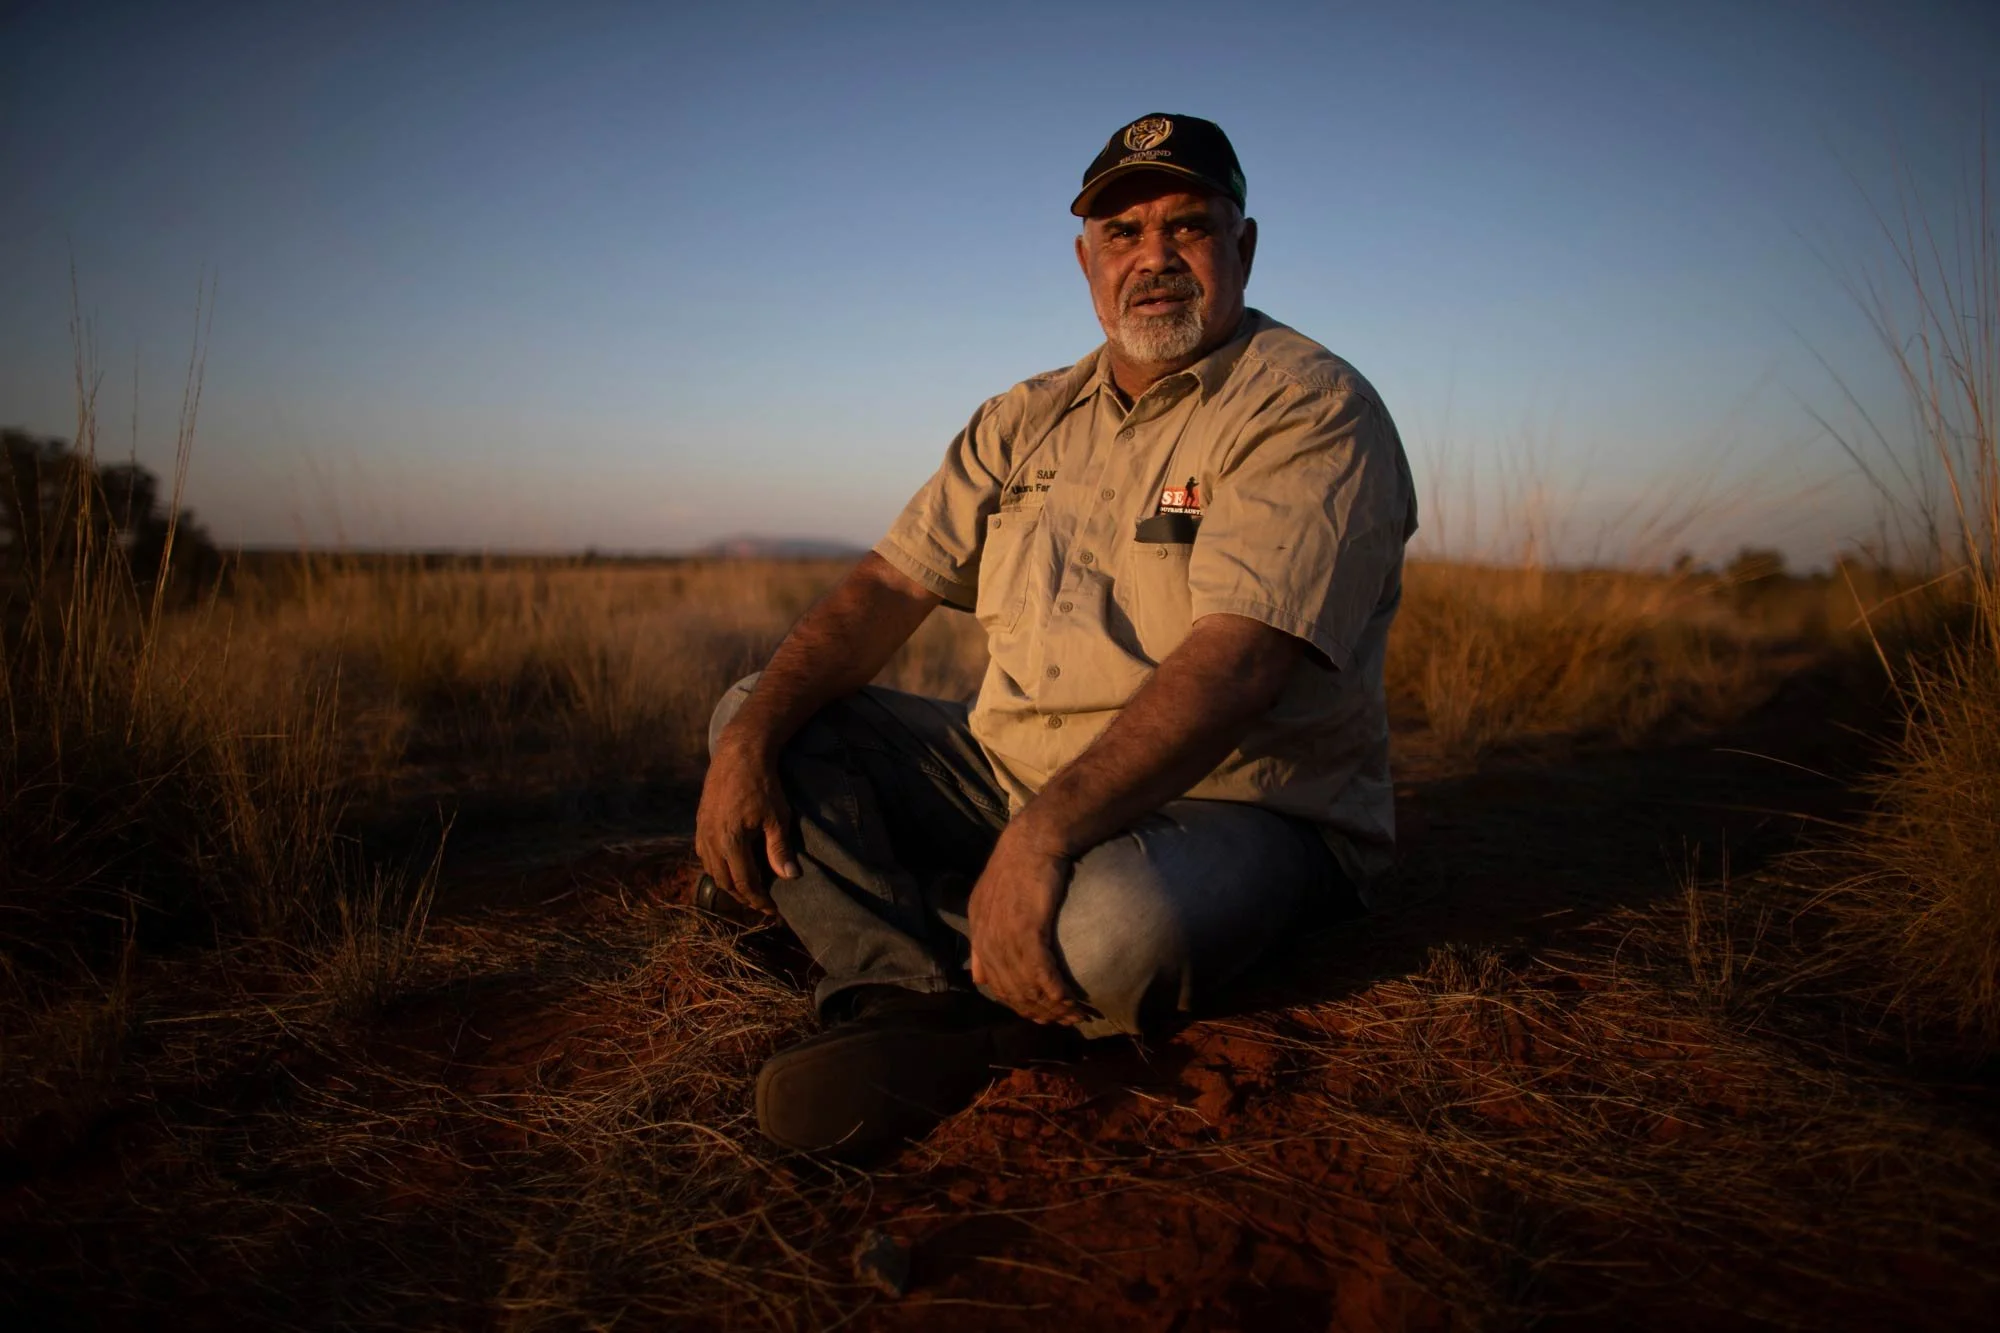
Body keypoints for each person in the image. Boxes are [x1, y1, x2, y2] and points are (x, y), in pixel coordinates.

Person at [695, 112, 1418, 1158]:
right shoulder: (1022, 416)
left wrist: (1040, 838)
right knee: (755, 714)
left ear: (1243, 246)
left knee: (1116, 927)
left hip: (1238, 803)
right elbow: (881, 590)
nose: (1154, 259)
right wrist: (752, 740)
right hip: (1011, 774)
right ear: (1085, 261)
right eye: (1121, 235)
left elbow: (1239, 662)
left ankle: (926, 941)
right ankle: (907, 996)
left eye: (1187, 227)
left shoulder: (1309, 406)